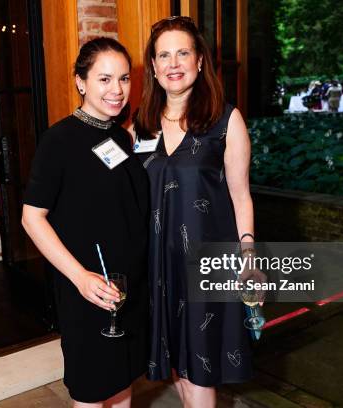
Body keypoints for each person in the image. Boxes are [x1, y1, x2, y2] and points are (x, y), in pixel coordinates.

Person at [131, 16, 254, 407]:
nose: (173, 62)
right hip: (155, 268)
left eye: (183, 52)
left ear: (200, 60)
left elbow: (241, 196)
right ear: (152, 66)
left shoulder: (226, 120)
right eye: (163, 55)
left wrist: (249, 256)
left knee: (200, 370)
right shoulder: (141, 126)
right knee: (176, 366)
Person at [21, 37, 149, 407]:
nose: (117, 90)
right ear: (81, 81)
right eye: (104, 79)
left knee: (122, 384)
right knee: (92, 392)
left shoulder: (121, 135)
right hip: (89, 290)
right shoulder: (58, 141)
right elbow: (32, 218)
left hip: (127, 288)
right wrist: (80, 278)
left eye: (124, 79)